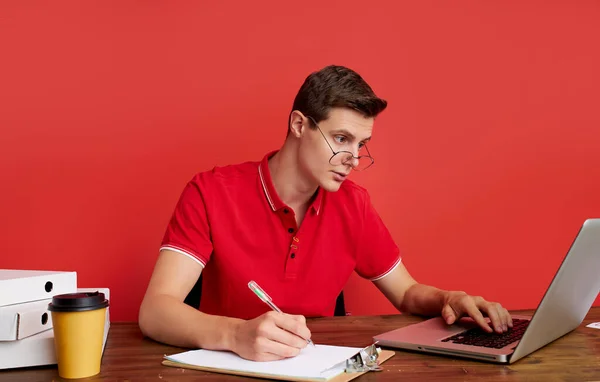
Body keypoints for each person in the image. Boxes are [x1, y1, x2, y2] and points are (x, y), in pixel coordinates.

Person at [138, 65, 513, 362]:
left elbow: (408, 294)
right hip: (230, 366)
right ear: (299, 124)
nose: (353, 158)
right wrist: (235, 334)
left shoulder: (354, 204)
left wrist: (450, 298)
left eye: (361, 144)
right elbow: (156, 310)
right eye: (341, 139)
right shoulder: (210, 191)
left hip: (315, 366)